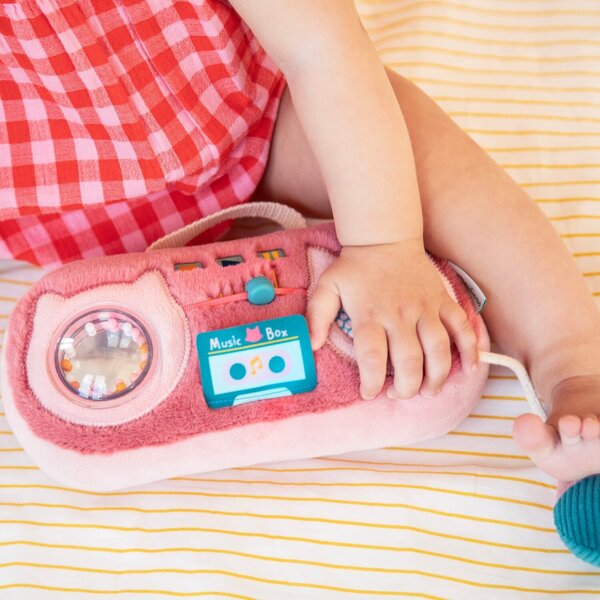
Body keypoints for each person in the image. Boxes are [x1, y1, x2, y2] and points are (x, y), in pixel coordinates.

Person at [1, 0, 599, 486]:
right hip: (52, 213)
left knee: (423, 164)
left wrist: (384, 244)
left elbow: (321, 46)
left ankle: (573, 364)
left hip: (247, 119)